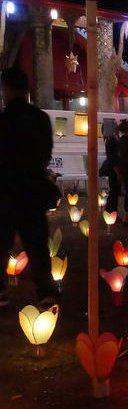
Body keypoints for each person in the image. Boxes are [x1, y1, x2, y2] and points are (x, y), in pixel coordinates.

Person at [0, 67, 57, 308]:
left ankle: (1, 291)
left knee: (1, 241)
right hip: (32, 189)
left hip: (5, 189)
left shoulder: (3, 120)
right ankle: (45, 290)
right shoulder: (40, 119)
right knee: (37, 244)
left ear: (6, 89)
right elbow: (46, 153)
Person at [102, 122, 122, 215]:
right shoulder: (111, 140)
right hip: (114, 169)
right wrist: (118, 172)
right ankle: (111, 211)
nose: (117, 125)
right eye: (115, 124)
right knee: (114, 191)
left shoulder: (115, 138)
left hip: (115, 167)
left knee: (115, 191)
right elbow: (112, 157)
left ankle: (113, 211)